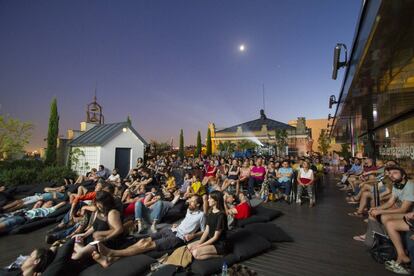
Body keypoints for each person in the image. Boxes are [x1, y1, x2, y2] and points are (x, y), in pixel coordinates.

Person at [91, 195, 206, 268]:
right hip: (172, 229)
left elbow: (204, 231)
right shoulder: (188, 211)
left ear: (198, 204)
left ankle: (113, 253)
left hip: (179, 238)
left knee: (147, 245)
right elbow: (187, 222)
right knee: (143, 240)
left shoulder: (201, 215)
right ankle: (111, 259)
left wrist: (193, 235)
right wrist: (179, 224)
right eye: (190, 200)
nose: (189, 202)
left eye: (192, 201)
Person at [71, 191, 124, 260]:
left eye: (99, 203)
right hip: (95, 238)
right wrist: (84, 235)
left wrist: (106, 238)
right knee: (75, 239)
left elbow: (119, 230)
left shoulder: (112, 213)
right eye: (97, 202)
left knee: (77, 255)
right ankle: (84, 250)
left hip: (106, 241)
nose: (97, 204)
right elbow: (94, 226)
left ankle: (84, 251)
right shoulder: (99, 211)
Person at [188, 190, 230, 260]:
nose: (208, 200)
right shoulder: (210, 212)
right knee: (189, 246)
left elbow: (216, 237)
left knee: (195, 253)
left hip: (219, 244)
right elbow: (206, 231)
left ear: (216, 201)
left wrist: (200, 246)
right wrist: (199, 243)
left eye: (210, 198)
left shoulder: (221, 215)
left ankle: (220, 255)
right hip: (210, 239)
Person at [0, 201, 67, 234]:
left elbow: (63, 203)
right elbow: (36, 205)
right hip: (19, 215)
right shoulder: (36, 208)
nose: (47, 203)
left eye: (50, 203)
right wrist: (38, 203)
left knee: (8, 222)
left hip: (24, 218)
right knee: (4, 221)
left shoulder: (50, 209)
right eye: (47, 202)